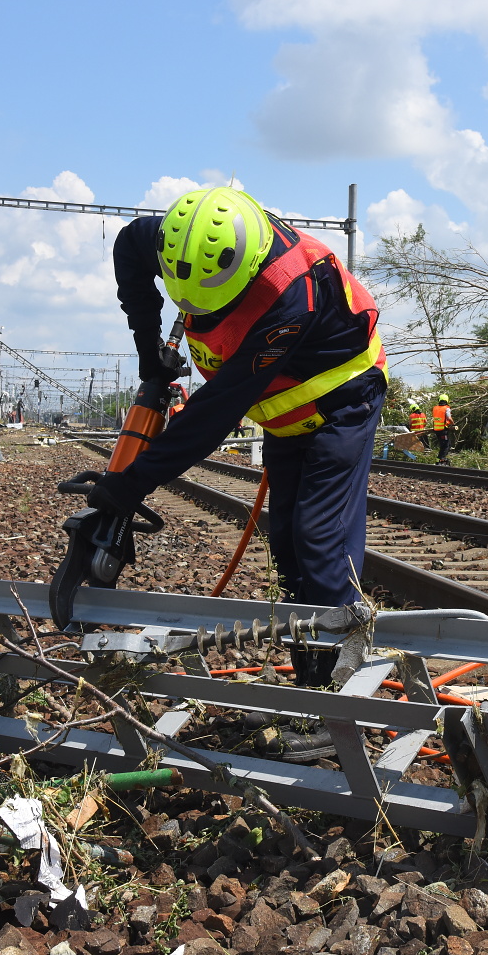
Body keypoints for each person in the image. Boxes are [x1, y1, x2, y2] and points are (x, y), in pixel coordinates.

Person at [91, 186, 387, 683]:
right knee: (289, 549)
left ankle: (340, 702)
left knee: (319, 539)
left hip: (340, 402)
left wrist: (132, 483)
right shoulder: (170, 238)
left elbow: (216, 410)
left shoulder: (292, 296)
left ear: (245, 272)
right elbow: (128, 251)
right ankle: (311, 684)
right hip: (281, 408)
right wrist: (149, 350)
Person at [431, 395, 454, 464]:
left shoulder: (435, 408)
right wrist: (453, 424)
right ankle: (441, 459)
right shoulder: (446, 408)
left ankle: (439, 460)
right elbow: (449, 418)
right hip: (443, 430)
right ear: (447, 400)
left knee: (443, 445)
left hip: (436, 430)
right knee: (447, 445)